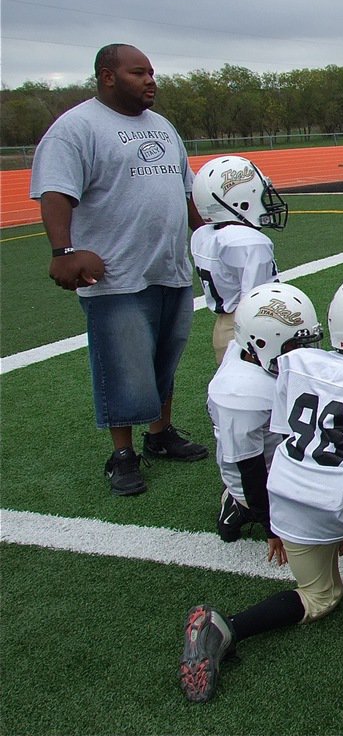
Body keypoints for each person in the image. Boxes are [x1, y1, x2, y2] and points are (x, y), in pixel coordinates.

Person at [178, 272, 343, 703]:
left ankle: (227, 626)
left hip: (286, 503)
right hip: (334, 507)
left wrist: (274, 526)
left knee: (319, 596)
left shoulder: (296, 364)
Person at [30, 43, 209, 497]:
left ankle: (160, 434)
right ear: (108, 77)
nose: (151, 80)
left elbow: (184, 189)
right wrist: (63, 250)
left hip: (168, 266)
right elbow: (55, 192)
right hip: (116, 274)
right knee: (124, 365)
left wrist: (207, 232)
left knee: (164, 357)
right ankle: (122, 454)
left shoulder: (163, 126)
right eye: (138, 73)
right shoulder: (77, 127)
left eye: (151, 72)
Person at [207, 282, 323, 542]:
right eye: (296, 344)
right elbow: (250, 469)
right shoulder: (241, 392)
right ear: (262, 341)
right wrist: (271, 526)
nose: (305, 352)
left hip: (274, 455)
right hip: (263, 479)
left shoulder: (245, 349)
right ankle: (239, 505)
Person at [190, 155, 286, 363]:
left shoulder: (203, 234)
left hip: (223, 327)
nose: (266, 201)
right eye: (260, 195)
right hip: (248, 330)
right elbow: (255, 304)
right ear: (240, 201)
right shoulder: (247, 241)